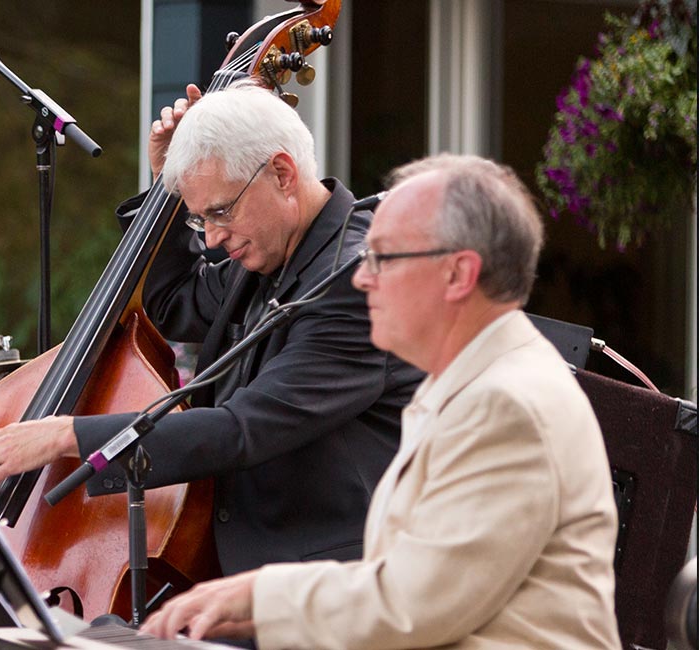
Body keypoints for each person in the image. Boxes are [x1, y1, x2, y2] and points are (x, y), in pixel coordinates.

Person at [138, 154, 621, 648]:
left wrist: (258, 597)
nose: (362, 277)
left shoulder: (506, 405)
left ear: (458, 275)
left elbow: (417, 604)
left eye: (382, 257)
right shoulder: (466, 383)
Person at [0, 82, 423, 580]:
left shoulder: (353, 282)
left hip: (335, 586)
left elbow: (242, 427)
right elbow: (174, 302)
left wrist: (68, 435)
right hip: (251, 574)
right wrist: (165, 182)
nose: (211, 237)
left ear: (283, 174)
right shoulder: (270, 253)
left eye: (221, 211)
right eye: (198, 218)